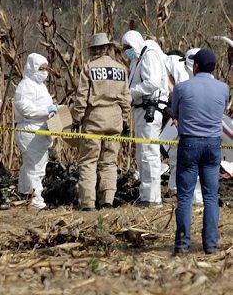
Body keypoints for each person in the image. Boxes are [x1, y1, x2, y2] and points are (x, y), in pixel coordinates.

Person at [172, 49, 229, 255]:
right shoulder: (223, 88)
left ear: (195, 66)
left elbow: (175, 111)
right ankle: (211, 245)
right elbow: (221, 110)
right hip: (213, 144)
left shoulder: (182, 87)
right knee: (211, 196)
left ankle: (182, 245)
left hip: (189, 143)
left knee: (185, 197)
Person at [71, 33, 131, 210]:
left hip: (94, 120)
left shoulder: (89, 67)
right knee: (109, 162)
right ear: (106, 48)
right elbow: (126, 98)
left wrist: (77, 118)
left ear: (93, 50)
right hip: (115, 120)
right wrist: (125, 119)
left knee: (89, 162)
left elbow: (81, 96)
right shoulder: (120, 69)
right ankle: (107, 200)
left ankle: (88, 203)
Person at [121, 30, 168, 207]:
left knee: (149, 153)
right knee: (143, 154)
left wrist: (129, 93)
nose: (127, 51)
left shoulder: (150, 55)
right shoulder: (136, 60)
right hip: (140, 109)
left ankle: (153, 197)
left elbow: (152, 83)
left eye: (128, 47)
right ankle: (146, 194)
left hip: (150, 108)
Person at [14, 53, 57, 209]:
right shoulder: (25, 86)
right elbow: (25, 109)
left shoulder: (41, 86)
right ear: (32, 68)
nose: (44, 72)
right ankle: (34, 198)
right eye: (41, 68)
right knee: (35, 167)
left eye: (46, 68)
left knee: (33, 165)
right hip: (30, 130)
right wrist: (47, 110)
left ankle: (26, 194)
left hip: (40, 130)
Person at [160, 48, 203, 204]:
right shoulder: (179, 71)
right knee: (176, 157)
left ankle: (192, 194)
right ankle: (176, 192)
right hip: (178, 125)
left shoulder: (204, 80)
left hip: (194, 127)